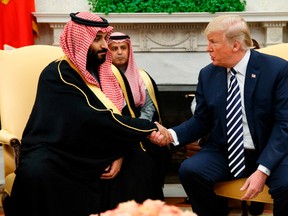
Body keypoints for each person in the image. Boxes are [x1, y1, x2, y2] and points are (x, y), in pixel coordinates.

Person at [8, 12, 163, 216]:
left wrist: (120, 152)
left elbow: (122, 115)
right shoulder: (57, 75)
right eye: (97, 39)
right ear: (80, 41)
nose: (105, 46)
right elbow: (93, 118)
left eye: (105, 38)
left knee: (141, 165)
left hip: (103, 147)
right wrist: (149, 127)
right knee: (36, 173)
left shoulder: (107, 73)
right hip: (59, 149)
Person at [150, 14, 288, 216]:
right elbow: (202, 120)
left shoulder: (277, 70)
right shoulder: (208, 74)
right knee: (190, 171)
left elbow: (284, 125)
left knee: (286, 184)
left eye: (213, 42)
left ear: (235, 46)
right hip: (226, 151)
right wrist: (171, 135)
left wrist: (262, 170)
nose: (208, 48)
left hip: (269, 150)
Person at [108, 32, 171, 191]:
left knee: (158, 153)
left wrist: (140, 127)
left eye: (123, 47)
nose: (120, 52)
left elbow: (149, 107)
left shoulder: (142, 76)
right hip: (115, 130)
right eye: (114, 48)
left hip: (142, 129)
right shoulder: (104, 76)